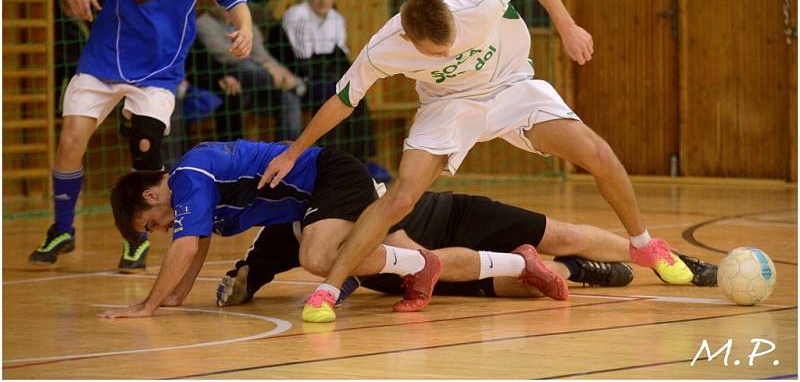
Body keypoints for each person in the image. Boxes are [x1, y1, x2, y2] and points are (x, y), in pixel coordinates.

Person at [260, 0, 696, 323]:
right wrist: (294, 152)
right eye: (438, 52)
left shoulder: (477, 4)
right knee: (400, 198)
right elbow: (342, 100)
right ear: (410, 38)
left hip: (510, 85)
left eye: (451, 43)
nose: (449, 52)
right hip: (448, 105)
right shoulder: (384, 47)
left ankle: (643, 245)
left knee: (597, 151)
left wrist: (567, 26)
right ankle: (329, 290)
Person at [28, 0, 253, 272]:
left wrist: (246, 28)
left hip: (158, 73)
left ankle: (138, 239)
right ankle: (62, 228)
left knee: (146, 149)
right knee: (70, 143)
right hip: (103, 62)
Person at [96, 139, 572, 319]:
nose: (158, 229)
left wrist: (148, 305)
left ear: (150, 196)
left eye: (149, 224)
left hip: (332, 177)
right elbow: (193, 245)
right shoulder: (201, 202)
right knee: (425, 259)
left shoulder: (189, 175)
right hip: (316, 204)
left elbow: (184, 243)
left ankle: (421, 263)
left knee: (320, 261)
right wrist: (176, 297)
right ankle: (518, 261)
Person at [216, 190, 717, 308]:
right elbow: (249, 276)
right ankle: (586, 272)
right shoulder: (281, 230)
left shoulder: (340, 186)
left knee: (558, 231)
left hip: (448, 216)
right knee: (519, 287)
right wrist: (238, 285)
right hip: (401, 271)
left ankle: (671, 261)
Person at [280, 0, 379, 167]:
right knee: (335, 97)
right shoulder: (297, 15)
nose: (323, 0)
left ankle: (360, 162)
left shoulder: (337, 19)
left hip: (327, 77)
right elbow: (302, 63)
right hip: (299, 79)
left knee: (355, 95)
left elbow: (341, 57)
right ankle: (332, 162)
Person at [194, 2, 303, 141]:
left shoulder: (245, 24)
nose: (224, 3)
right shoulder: (204, 23)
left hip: (257, 85)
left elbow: (264, 56)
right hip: (228, 77)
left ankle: (286, 152)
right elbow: (226, 55)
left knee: (288, 96)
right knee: (246, 66)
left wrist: (281, 72)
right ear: (210, 0)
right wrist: (265, 66)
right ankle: (294, 84)